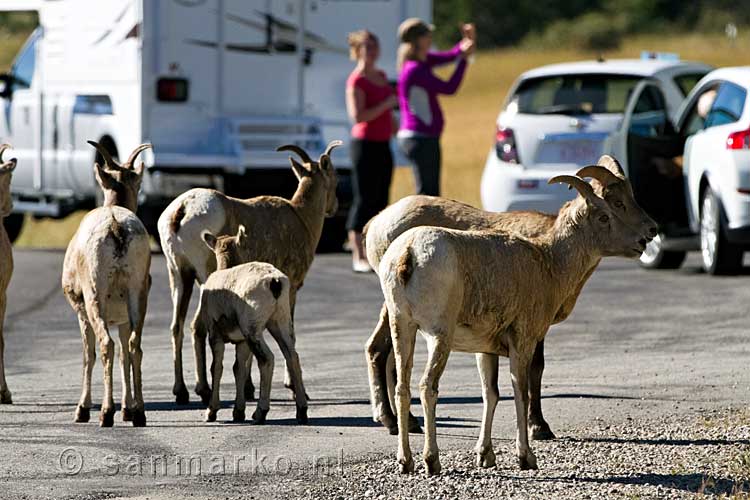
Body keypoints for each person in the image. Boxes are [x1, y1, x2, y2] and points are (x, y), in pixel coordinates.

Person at [396, 19, 475, 196]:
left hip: (422, 138)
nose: (430, 38)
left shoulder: (422, 62)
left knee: (430, 193)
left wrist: (467, 41)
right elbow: (449, 87)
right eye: (427, 35)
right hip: (420, 139)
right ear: (418, 40)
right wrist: (464, 60)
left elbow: (451, 55)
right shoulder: (415, 69)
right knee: (428, 195)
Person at [345, 30, 398, 273]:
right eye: (367, 47)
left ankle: (375, 249)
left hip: (383, 143)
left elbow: (388, 114)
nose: (373, 51)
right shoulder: (357, 80)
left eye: (375, 46)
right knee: (363, 198)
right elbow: (358, 116)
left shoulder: (381, 76)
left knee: (381, 199)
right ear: (358, 50)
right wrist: (386, 104)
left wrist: (398, 129)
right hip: (364, 145)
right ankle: (358, 253)